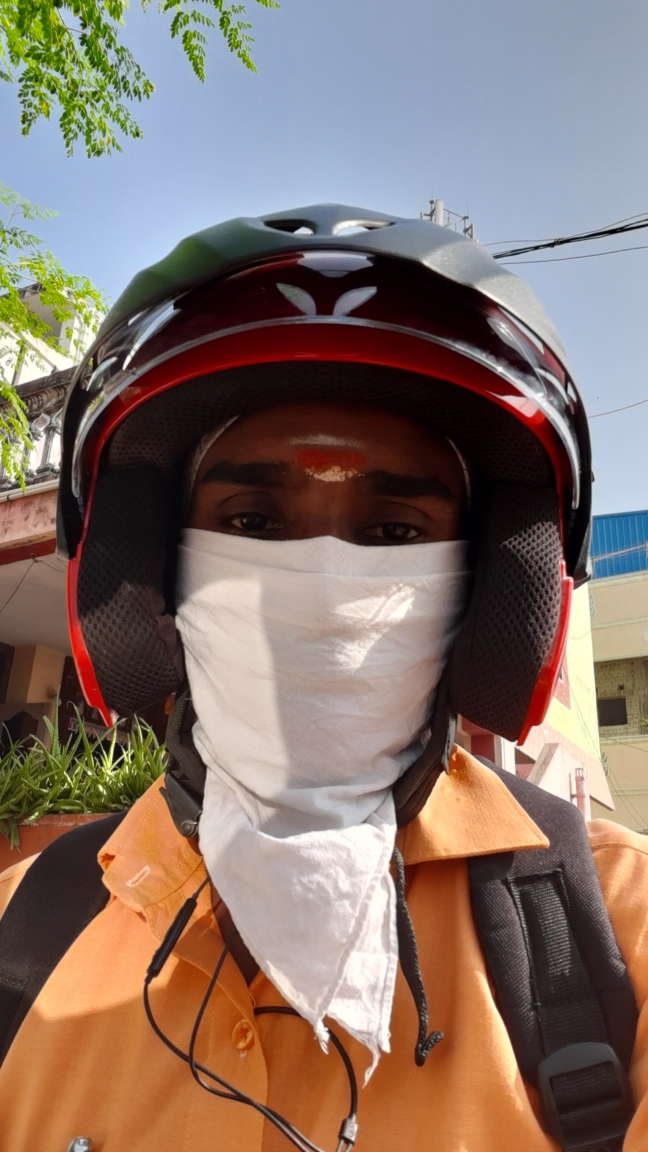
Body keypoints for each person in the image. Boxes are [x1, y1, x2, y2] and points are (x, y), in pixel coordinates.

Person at [0, 203, 647, 1152]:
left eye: (393, 532)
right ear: (154, 574)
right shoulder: (23, 929)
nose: (328, 583)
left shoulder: (616, 931)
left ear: (488, 596)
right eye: (252, 523)